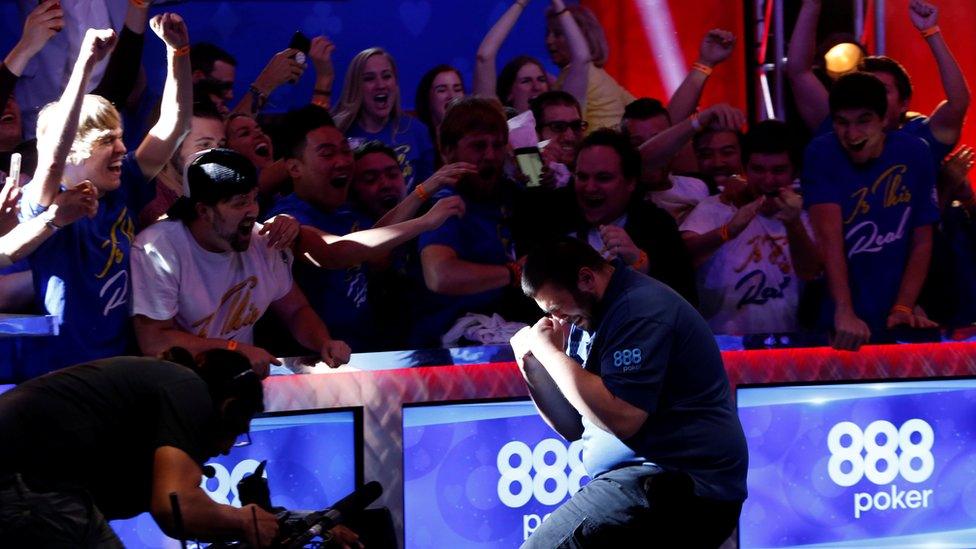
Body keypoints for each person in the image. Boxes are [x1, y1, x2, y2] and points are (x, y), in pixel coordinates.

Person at [510, 237, 747, 547]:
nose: (557, 320)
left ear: (586, 279)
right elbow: (573, 425)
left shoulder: (640, 309)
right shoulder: (588, 315)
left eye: (558, 310)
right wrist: (532, 367)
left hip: (682, 484)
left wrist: (551, 355)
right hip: (646, 480)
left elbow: (623, 418)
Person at [17, 16, 192, 374]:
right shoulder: (47, 202)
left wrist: (179, 53)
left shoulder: (121, 186)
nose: (121, 148)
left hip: (119, 365)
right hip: (64, 373)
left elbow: (174, 126)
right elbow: (51, 157)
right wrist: (85, 65)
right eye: (106, 141)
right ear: (72, 153)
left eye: (119, 136)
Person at [0, 348, 279, 547]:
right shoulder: (188, 389)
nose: (229, 449)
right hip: (25, 483)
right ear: (227, 408)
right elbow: (175, 508)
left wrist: (237, 525)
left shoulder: (150, 404)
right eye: (235, 431)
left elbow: (175, 517)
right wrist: (244, 521)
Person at [131, 148, 351, 374]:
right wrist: (235, 349)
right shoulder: (157, 250)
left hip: (240, 383)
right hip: (180, 384)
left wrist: (323, 342)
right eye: (240, 203)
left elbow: (296, 310)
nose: (253, 211)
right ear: (204, 211)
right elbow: (155, 341)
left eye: (254, 198)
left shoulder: (261, 242)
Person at [266, 106, 466, 352]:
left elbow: (372, 247)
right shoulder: (286, 216)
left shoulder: (343, 210)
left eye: (344, 150)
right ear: (294, 168)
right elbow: (335, 252)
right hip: (317, 361)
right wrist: (425, 221)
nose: (342, 161)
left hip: (364, 351)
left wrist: (423, 191)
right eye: (327, 154)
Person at [802, 72, 939, 350]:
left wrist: (904, 305)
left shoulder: (915, 152)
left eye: (863, 121)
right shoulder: (822, 153)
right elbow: (830, 241)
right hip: (836, 317)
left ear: (883, 120)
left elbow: (922, 238)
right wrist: (844, 311)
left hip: (898, 312)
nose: (852, 135)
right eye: (842, 123)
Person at [681, 120, 822, 334]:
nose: (767, 179)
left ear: (795, 173)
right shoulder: (716, 207)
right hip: (725, 344)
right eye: (757, 169)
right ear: (745, 168)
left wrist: (793, 223)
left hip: (789, 346)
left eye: (779, 170)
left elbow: (810, 273)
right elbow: (680, 257)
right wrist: (728, 231)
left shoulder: (805, 215)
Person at [787, 0, 969, 165]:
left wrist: (931, 32)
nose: (871, 97)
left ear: (904, 103)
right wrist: (813, 3)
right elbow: (798, 71)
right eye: (863, 90)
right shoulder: (836, 129)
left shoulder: (920, 139)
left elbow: (958, 103)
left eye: (882, 90)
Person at [333, 48, 435, 189]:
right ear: (356, 87)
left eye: (386, 76)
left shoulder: (418, 131)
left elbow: (431, 190)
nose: (380, 85)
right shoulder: (339, 134)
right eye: (369, 78)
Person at [619, 98, 709, 223]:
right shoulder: (622, 198)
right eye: (638, 144)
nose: (654, 153)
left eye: (660, 142)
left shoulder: (698, 187)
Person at [414, 64, 465, 163]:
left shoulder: (474, 137)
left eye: (457, 89)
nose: (452, 96)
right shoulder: (418, 139)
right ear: (427, 98)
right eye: (442, 90)